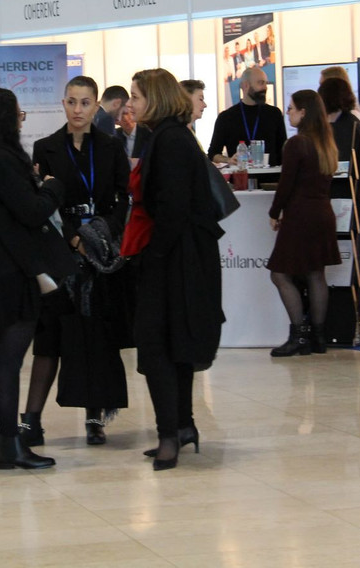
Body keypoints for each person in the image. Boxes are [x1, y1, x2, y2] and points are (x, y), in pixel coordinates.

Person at [0, 87, 76, 470]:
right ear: (7, 119)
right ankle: (11, 444)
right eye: (19, 115)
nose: (21, 120)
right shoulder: (3, 159)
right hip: (11, 271)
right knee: (7, 360)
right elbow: (31, 212)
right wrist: (54, 187)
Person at [125, 68, 224, 471]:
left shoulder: (169, 141)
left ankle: (171, 433)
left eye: (136, 95)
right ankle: (181, 426)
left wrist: (154, 258)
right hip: (181, 256)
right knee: (173, 343)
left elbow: (172, 208)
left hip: (174, 259)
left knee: (158, 345)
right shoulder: (169, 137)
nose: (130, 103)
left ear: (156, 98)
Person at [24, 76, 131, 447]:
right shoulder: (46, 147)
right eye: (71, 102)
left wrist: (101, 235)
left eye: (85, 103)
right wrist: (73, 237)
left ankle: (94, 417)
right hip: (60, 252)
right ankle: (30, 421)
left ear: (96, 105)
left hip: (101, 253)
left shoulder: (111, 147)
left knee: (97, 337)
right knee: (50, 336)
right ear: (63, 102)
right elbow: (43, 202)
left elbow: (123, 199)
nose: (78, 110)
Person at [267, 90, 342, 356]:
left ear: (303, 112)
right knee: (316, 273)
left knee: (279, 273)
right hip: (322, 213)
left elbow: (285, 185)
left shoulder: (297, 144)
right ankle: (318, 337)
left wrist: (274, 212)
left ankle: (298, 334)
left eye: (291, 108)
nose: (288, 112)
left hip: (300, 215)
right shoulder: (326, 142)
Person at [319, 75, 360, 320]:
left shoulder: (353, 126)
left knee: (353, 257)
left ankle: (358, 309)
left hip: (351, 204)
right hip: (327, 203)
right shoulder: (323, 127)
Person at [207, 65, 286, 166]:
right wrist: (229, 160)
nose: (265, 88)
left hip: (271, 180)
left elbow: (283, 151)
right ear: (245, 85)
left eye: (266, 83)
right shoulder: (226, 117)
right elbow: (213, 154)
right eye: (261, 83)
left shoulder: (274, 114)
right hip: (240, 179)